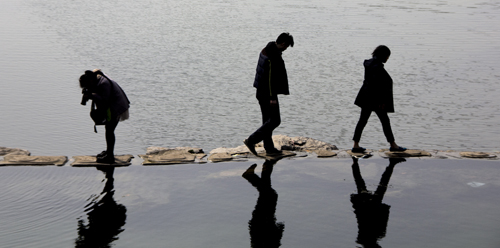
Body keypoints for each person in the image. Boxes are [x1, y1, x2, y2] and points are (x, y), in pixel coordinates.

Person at [244, 33, 294, 156]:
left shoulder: (268, 48)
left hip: (261, 91)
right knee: (275, 120)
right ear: (283, 43)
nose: (286, 48)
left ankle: (269, 148)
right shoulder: (272, 56)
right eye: (287, 46)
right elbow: (270, 79)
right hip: (267, 93)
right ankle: (252, 140)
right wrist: (272, 97)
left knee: (267, 120)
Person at [351, 45, 406, 153]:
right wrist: (382, 101)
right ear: (383, 55)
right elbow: (377, 86)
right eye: (387, 56)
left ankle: (356, 145)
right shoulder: (377, 67)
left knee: (362, 121)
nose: (387, 59)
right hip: (375, 100)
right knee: (385, 121)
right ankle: (393, 145)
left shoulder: (369, 64)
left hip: (366, 97)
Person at [80, 69, 130, 163]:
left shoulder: (103, 84)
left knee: (109, 131)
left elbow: (104, 99)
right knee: (109, 130)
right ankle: (108, 152)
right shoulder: (98, 79)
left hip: (117, 107)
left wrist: (91, 95)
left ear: (91, 81)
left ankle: (110, 156)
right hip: (115, 105)